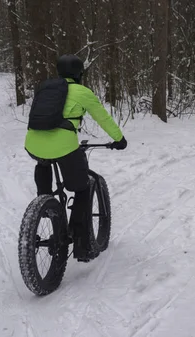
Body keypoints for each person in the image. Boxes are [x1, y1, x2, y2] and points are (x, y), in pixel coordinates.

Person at [24, 54, 127, 262]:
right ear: (79, 73)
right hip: (64, 145)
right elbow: (103, 118)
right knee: (81, 187)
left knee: (44, 160)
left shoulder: (45, 88)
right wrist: (119, 139)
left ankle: (44, 202)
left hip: (33, 143)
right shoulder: (82, 92)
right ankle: (82, 244)